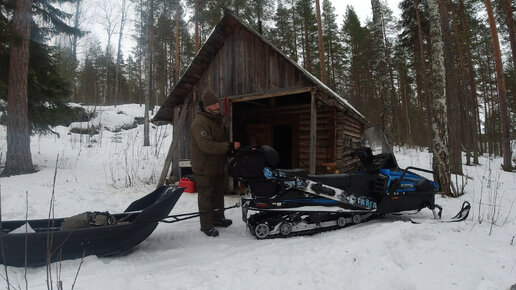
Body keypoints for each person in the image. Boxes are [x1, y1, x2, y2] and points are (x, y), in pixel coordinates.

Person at [190, 89, 240, 237]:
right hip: (204, 167)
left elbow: (219, 141)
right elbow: (206, 145)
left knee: (218, 194)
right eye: (215, 104)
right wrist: (228, 147)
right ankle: (206, 225)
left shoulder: (214, 120)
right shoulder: (199, 122)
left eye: (217, 103)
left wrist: (228, 149)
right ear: (207, 106)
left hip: (217, 165)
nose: (218, 106)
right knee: (206, 196)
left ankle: (218, 219)